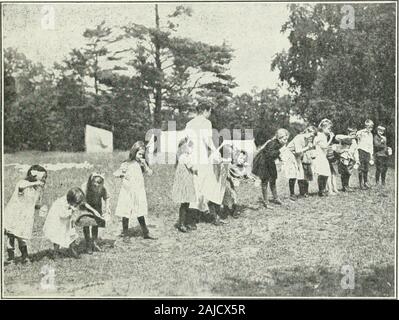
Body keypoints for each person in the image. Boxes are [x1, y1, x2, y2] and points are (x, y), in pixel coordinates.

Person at [185, 100, 224, 226]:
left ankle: (197, 216)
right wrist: (215, 151)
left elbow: (187, 142)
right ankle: (196, 217)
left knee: (196, 186)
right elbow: (207, 139)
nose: (210, 114)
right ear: (206, 110)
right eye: (210, 111)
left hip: (191, 157)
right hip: (201, 158)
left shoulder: (189, 123)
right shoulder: (206, 122)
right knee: (204, 186)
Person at [114, 141, 156, 241]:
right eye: (139, 154)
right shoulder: (127, 163)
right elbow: (117, 172)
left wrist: (145, 165)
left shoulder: (141, 164)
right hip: (127, 191)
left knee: (140, 211)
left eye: (143, 154)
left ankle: (145, 232)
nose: (141, 156)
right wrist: (121, 174)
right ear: (134, 152)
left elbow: (150, 173)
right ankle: (125, 234)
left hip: (138, 191)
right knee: (126, 212)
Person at [4, 165, 47, 264]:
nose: (44, 179)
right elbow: (21, 186)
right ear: (34, 174)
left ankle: (25, 256)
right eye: (43, 177)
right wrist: (36, 183)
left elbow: (33, 204)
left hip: (24, 217)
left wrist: (40, 207)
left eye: (45, 177)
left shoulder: (36, 190)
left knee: (21, 237)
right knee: (11, 237)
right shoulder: (23, 183)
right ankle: (11, 257)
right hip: (14, 215)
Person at [43, 187, 89, 259]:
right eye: (76, 204)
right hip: (57, 222)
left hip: (66, 221)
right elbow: (62, 215)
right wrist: (70, 211)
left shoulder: (70, 202)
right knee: (57, 238)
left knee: (71, 234)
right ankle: (56, 253)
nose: (76, 205)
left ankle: (72, 249)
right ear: (71, 200)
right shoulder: (61, 203)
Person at [252, 128, 290, 208]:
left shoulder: (279, 143)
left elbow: (274, 154)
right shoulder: (272, 143)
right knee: (265, 181)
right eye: (284, 139)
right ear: (279, 138)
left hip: (270, 162)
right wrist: (280, 151)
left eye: (287, 139)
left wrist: (280, 158)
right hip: (263, 162)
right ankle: (266, 202)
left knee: (273, 179)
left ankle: (276, 198)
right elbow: (270, 155)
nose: (285, 141)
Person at [172, 137, 198, 233]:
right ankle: (181, 224)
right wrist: (199, 171)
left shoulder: (184, 156)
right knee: (184, 203)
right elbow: (192, 167)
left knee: (186, 203)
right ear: (184, 148)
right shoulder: (184, 157)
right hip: (184, 184)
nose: (191, 149)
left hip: (186, 182)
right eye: (190, 146)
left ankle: (185, 222)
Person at [80, 173, 111, 254]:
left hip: (97, 205)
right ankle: (88, 244)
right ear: (91, 181)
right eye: (95, 182)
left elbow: (107, 197)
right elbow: (83, 201)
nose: (97, 184)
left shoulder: (102, 188)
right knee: (86, 223)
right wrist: (94, 211)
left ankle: (94, 242)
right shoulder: (85, 187)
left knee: (95, 224)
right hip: (86, 206)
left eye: (99, 182)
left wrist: (107, 208)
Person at [285, 126, 317, 200]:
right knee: (293, 174)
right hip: (290, 155)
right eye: (311, 135)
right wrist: (308, 148)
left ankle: (303, 192)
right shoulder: (299, 138)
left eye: (313, 136)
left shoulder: (307, 140)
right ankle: (292, 194)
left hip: (297, 156)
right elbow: (298, 151)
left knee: (301, 174)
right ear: (306, 132)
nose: (311, 137)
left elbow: (301, 152)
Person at [223, 149, 255, 218]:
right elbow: (230, 173)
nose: (242, 160)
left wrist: (250, 177)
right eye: (240, 158)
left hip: (233, 185)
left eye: (244, 159)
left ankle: (232, 209)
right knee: (231, 197)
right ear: (235, 158)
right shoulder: (232, 166)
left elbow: (245, 174)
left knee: (234, 197)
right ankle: (231, 210)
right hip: (227, 184)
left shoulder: (242, 167)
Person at [313, 119, 334, 196]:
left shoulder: (323, 136)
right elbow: (324, 147)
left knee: (325, 174)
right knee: (323, 174)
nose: (330, 130)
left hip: (322, 156)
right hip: (320, 157)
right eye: (328, 128)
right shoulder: (320, 135)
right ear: (323, 128)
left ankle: (323, 190)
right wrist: (331, 138)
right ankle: (322, 190)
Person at [356, 119, 374, 189]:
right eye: (369, 127)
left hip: (367, 152)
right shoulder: (361, 132)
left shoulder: (371, 134)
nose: (370, 129)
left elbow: (371, 145)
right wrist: (362, 132)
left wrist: (371, 154)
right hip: (361, 151)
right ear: (366, 126)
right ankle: (361, 184)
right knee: (361, 167)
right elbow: (357, 135)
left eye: (371, 127)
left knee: (366, 168)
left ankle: (365, 182)